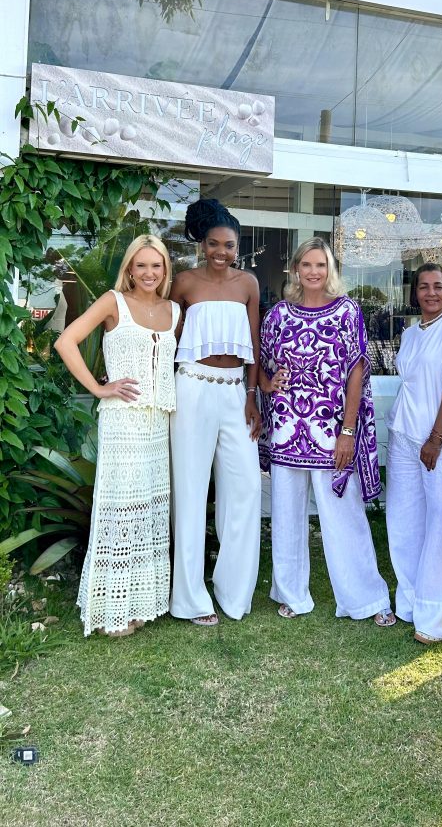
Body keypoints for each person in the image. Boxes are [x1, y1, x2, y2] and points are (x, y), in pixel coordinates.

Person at [259, 237, 395, 626]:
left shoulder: (347, 312)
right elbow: (261, 363)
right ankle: (291, 594)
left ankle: (366, 599)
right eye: (307, 264)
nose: (314, 272)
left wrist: (348, 432)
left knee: (344, 517)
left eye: (321, 265)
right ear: (295, 269)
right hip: (286, 429)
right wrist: (268, 384)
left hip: (330, 431)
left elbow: (356, 373)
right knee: (286, 516)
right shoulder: (278, 315)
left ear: (330, 269)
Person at [54, 235, 179, 637]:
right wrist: (98, 387)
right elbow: (65, 341)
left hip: (158, 423)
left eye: (156, 265)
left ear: (165, 269)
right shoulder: (113, 302)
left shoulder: (174, 310)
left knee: (149, 509)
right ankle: (113, 609)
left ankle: (141, 602)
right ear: (129, 268)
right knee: (120, 507)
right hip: (123, 422)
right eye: (141, 265)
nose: (149, 273)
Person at [170, 198, 262, 626]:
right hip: (192, 387)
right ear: (202, 244)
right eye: (213, 244)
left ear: (238, 247)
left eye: (229, 245)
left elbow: (255, 345)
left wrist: (252, 395)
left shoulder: (249, 284)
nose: (221, 252)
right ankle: (190, 598)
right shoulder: (184, 283)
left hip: (234, 391)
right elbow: (167, 338)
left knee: (246, 489)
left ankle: (233, 590)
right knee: (190, 492)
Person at [385, 263, 442, 644]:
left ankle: (437, 617)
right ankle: (410, 603)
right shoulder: (409, 333)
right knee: (404, 521)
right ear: (415, 292)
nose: (431, 293)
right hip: (403, 434)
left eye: (438, 286)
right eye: (424, 286)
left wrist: (436, 438)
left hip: (441, 439)